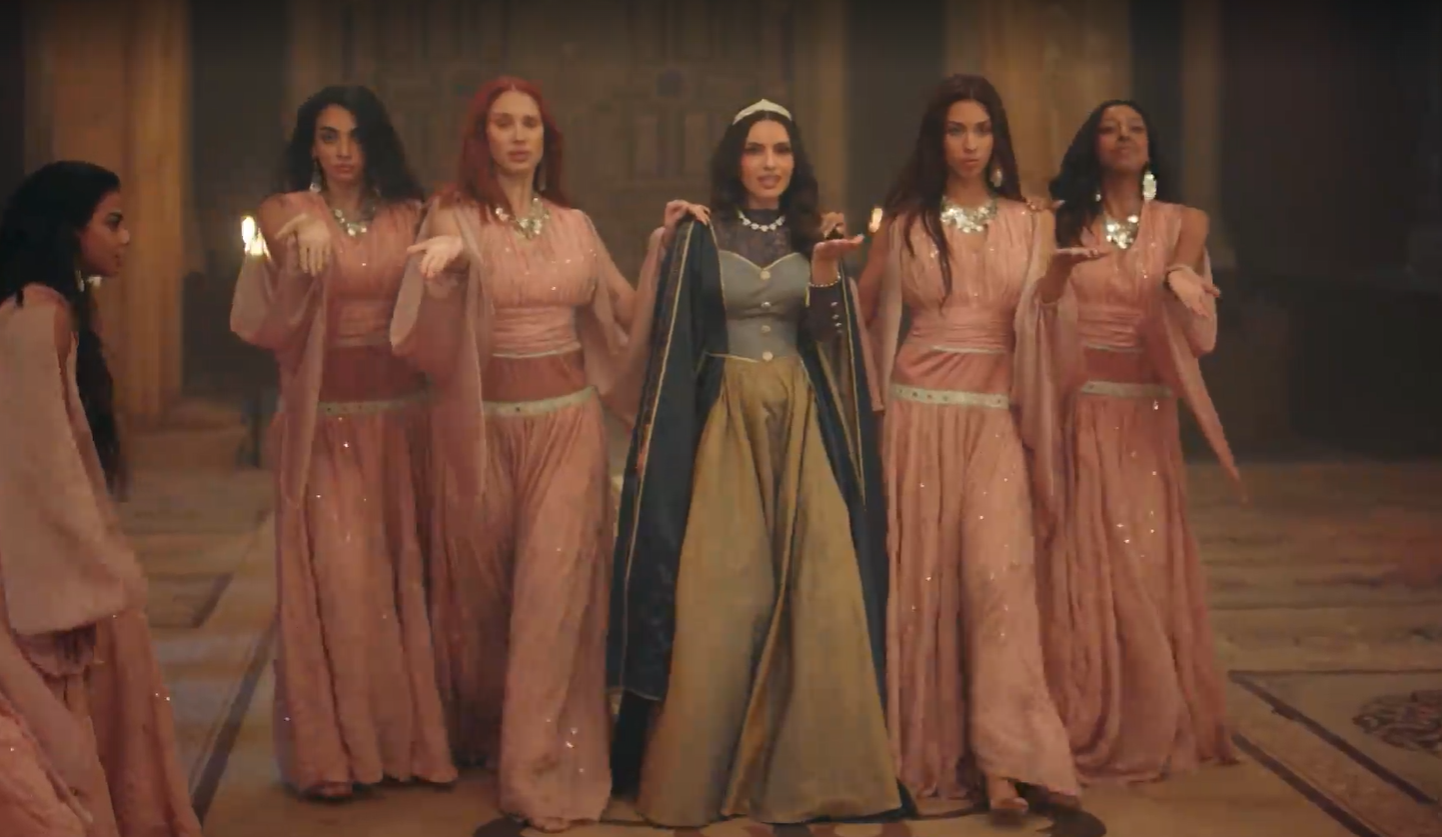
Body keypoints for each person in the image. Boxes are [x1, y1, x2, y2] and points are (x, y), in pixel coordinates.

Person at [606, 99, 909, 828]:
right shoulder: (699, 234)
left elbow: (828, 339)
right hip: (727, 423)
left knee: (820, 589)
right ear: (733, 160)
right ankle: (706, 774)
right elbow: (676, 338)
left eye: (781, 150)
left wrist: (828, 273)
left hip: (800, 419)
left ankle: (814, 771)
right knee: (724, 594)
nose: (769, 163)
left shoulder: (816, 233)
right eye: (754, 150)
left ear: (795, 161)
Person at [392, 76, 652, 832]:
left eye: (529, 124)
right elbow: (423, 331)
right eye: (502, 124)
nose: (516, 136)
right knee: (483, 599)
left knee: (552, 597)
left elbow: (630, 308)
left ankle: (537, 768)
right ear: (482, 137)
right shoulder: (453, 216)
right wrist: (450, 259)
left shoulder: (575, 224)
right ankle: (487, 731)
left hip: (568, 430)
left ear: (546, 139)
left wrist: (674, 249)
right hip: (482, 432)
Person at [860, 74, 1092, 821]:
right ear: (937, 140)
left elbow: (1044, 322)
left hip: (995, 415)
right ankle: (926, 747)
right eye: (956, 130)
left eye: (982, 130)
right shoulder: (905, 223)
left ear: (998, 140)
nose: (970, 144)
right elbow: (859, 313)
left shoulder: (1031, 222)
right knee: (925, 589)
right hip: (919, 418)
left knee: (999, 583)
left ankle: (1007, 762)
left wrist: (1056, 283)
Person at [230, 85, 455, 800]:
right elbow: (275, 248)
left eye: (356, 136)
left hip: (403, 423)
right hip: (325, 426)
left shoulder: (409, 214)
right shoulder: (286, 209)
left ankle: (406, 744)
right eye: (329, 137)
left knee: (402, 583)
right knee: (343, 580)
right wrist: (303, 231)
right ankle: (336, 751)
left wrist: (457, 248)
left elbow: (450, 280)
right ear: (310, 145)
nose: (344, 152)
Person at [1034, 99, 1241, 783]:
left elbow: (1194, 327)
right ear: (1091, 145)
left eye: (1136, 128)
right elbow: (1036, 309)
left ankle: (1154, 712)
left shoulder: (1183, 222)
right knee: (1082, 561)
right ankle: (1083, 707)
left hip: (1145, 418)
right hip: (1078, 407)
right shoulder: (1060, 221)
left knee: (1143, 562)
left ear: (1151, 146)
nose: (1123, 136)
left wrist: (1184, 286)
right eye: (1109, 128)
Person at [0, 160, 201, 836]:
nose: (126, 237)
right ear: (69, 230)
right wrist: (86, 581)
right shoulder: (37, 317)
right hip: (37, 575)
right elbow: (40, 469)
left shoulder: (44, 310)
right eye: (112, 222)